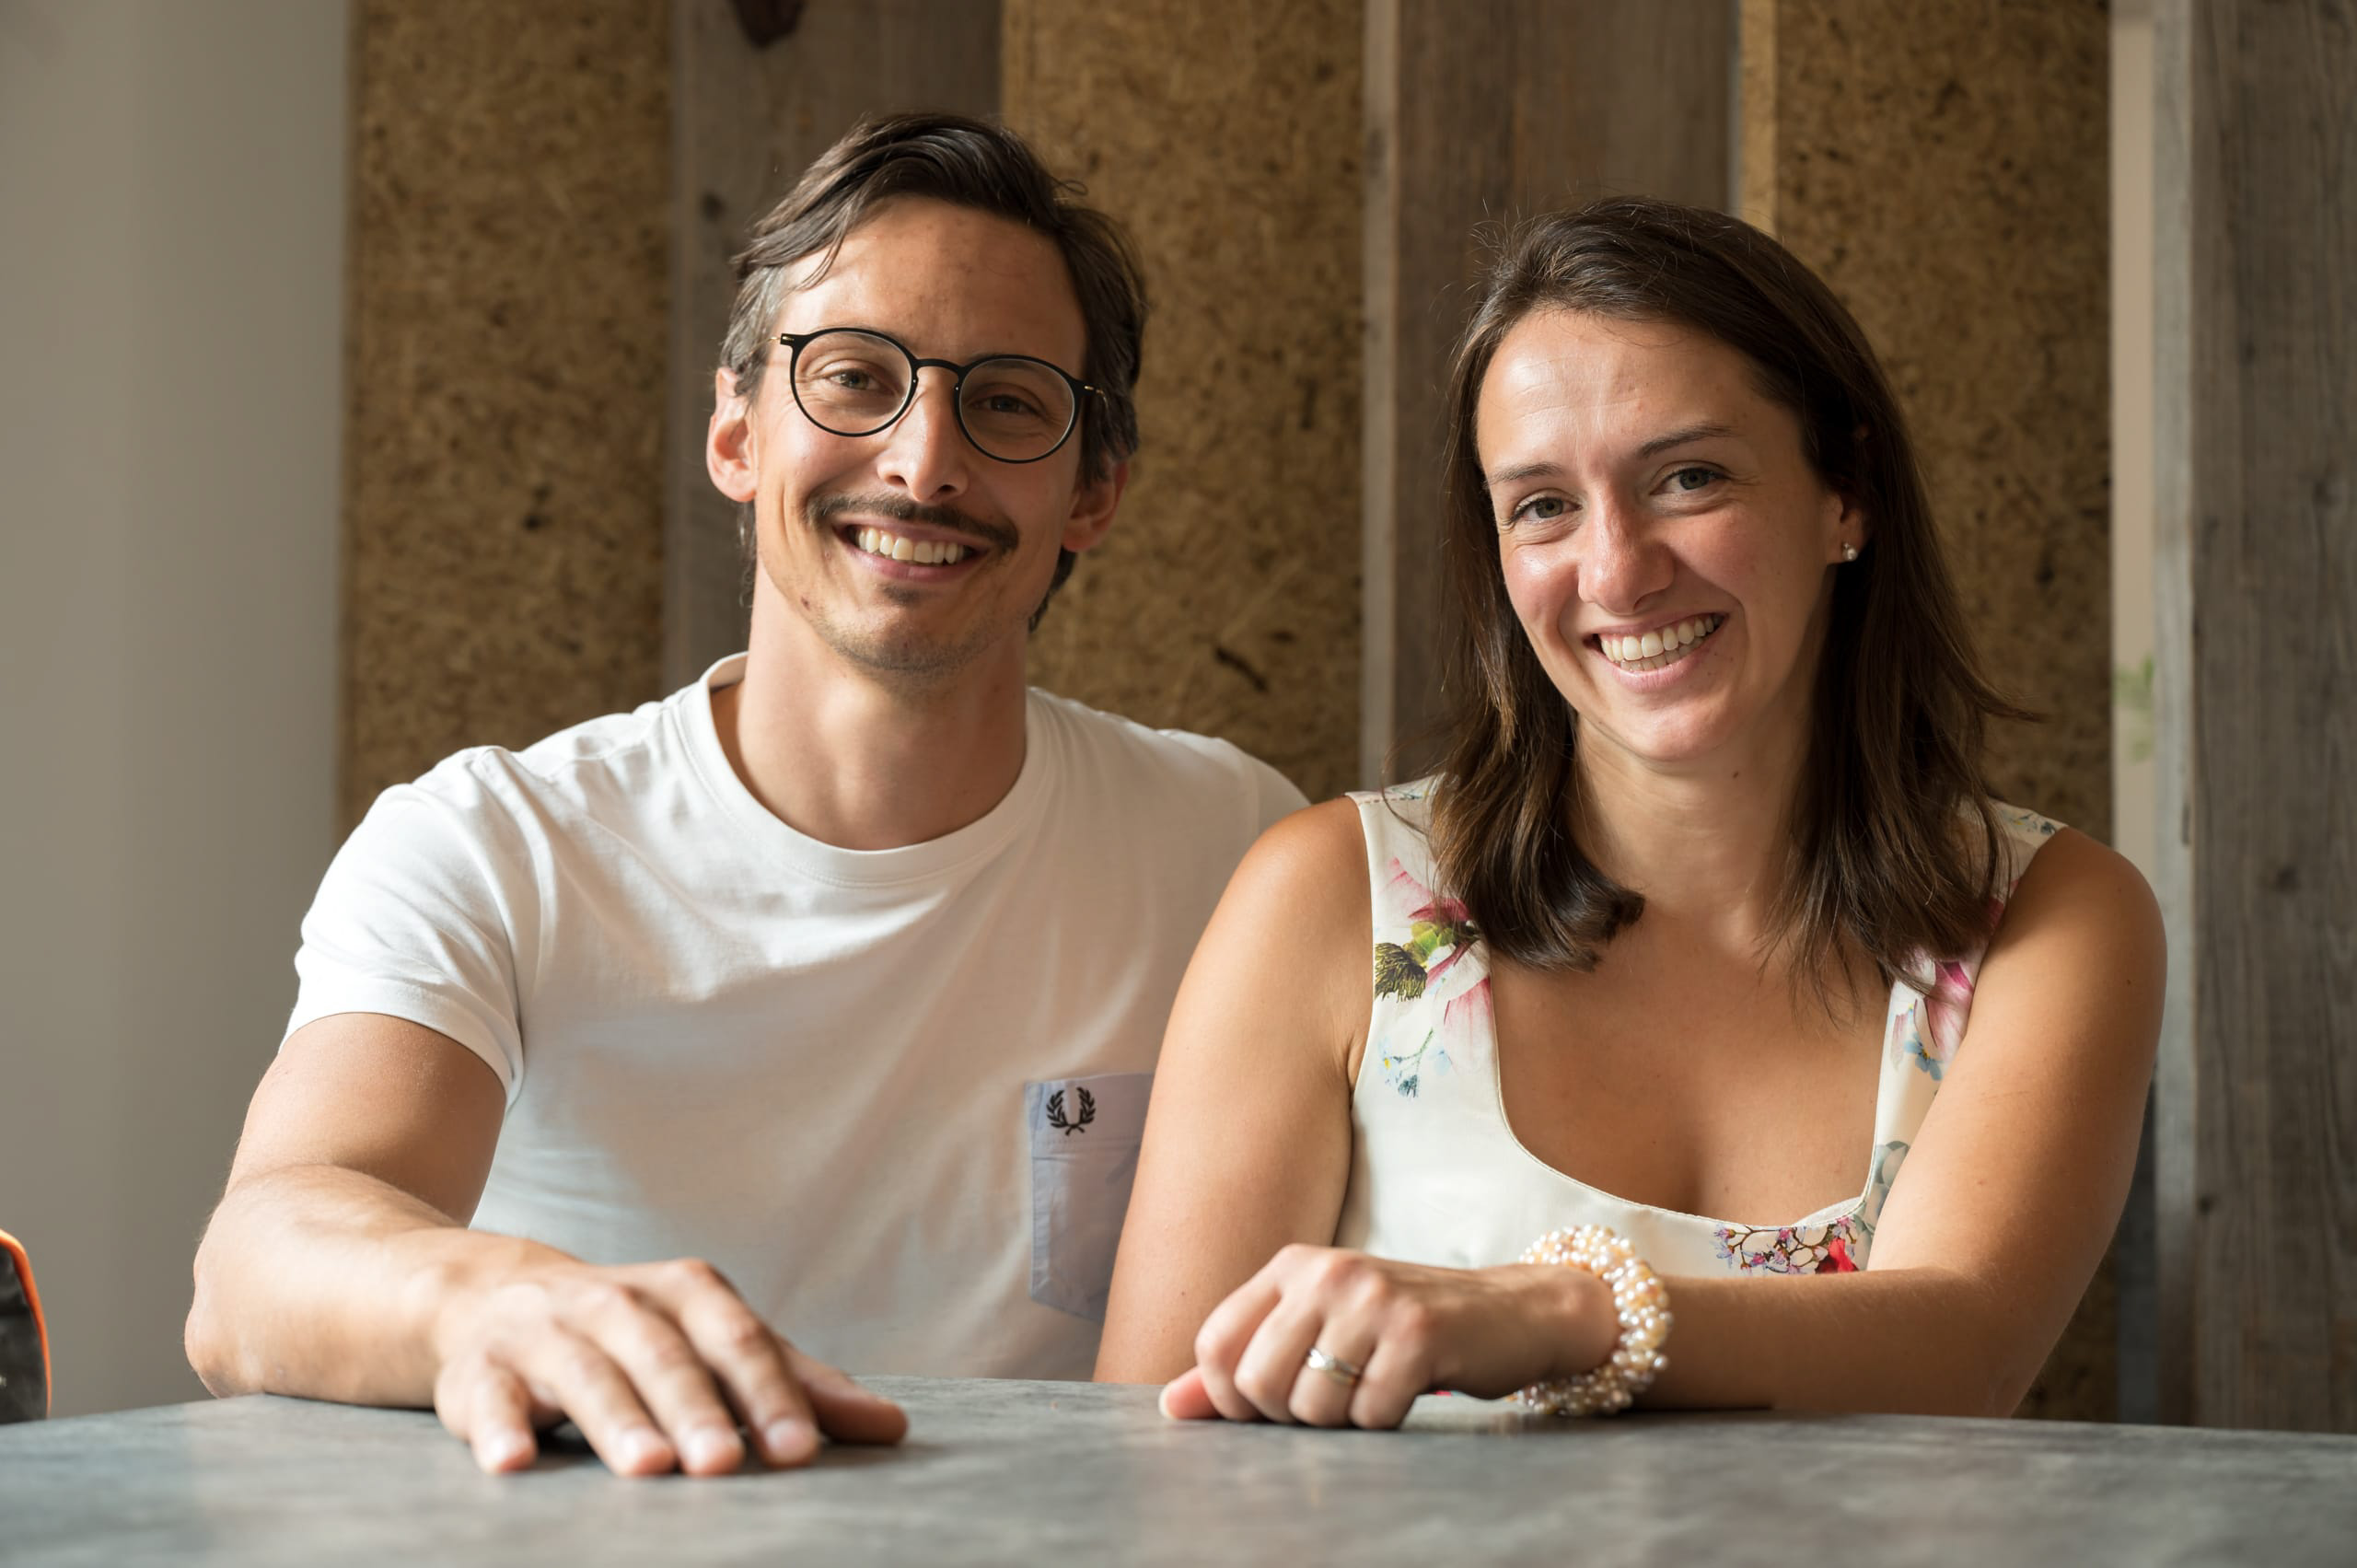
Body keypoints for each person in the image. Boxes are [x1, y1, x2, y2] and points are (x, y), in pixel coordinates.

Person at [185, 113, 1305, 1477]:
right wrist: (494, 1298)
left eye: (1008, 402)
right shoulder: (490, 845)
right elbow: (257, 1264)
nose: (923, 462)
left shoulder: (1235, 849)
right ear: (735, 432)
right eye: (854, 377)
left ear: (1096, 492)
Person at [1095, 197, 2164, 1427]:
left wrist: (1564, 1310)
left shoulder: (2055, 917)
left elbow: (1964, 1346)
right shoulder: (1329, 894)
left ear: (1847, 495)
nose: (1616, 571)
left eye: (1689, 478)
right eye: (1542, 506)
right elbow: (1149, 1439)